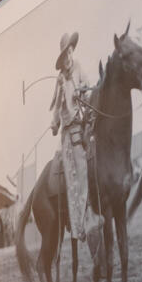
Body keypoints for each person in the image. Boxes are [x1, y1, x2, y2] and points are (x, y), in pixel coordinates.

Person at [49, 31, 98, 240]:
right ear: (61, 61)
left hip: (84, 122)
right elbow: (58, 109)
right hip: (70, 132)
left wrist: (82, 91)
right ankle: (80, 224)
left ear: (71, 52)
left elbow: (89, 88)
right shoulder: (60, 80)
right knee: (77, 168)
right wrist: (54, 123)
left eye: (69, 53)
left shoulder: (79, 68)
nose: (68, 58)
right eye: (64, 57)